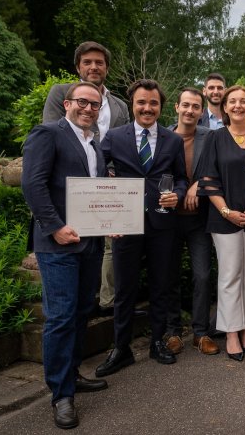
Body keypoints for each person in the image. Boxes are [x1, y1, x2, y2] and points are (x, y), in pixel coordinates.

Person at [23, 82, 109, 429]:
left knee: (80, 312)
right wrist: (55, 226)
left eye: (95, 105)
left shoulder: (95, 145)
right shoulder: (47, 134)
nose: (89, 109)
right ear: (68, 104)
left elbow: (98, 192)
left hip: (90, 243)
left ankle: (71, 375)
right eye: (83, 103)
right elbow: (33, 184)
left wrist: (110, 221)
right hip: (58, 244)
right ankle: (60, 395)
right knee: (59, 317)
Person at [96, 79, 187, 377]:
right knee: (124, 288)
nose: (147, 108)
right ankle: (121, 348)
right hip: (125, 223)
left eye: (153, 103)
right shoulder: (113, 136)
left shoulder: (172, 140)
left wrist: (180, 194)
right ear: (133, 104)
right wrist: (105, 213)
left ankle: (157, 342)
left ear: (161, 106)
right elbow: (98, 176)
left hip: (162, 223)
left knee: (161, 285)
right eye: (141, 103)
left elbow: (182, 179)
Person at [43, 40, 129, 319]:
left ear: (106, 68)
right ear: (79, 66)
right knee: (74, 245)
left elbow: (123, 142)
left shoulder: (119, 105)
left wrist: (113, 172)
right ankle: (82, 304)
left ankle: (104, 301)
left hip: (108, 182)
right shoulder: (61, 93)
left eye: (99, 62)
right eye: (88, 62)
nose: (94, 67)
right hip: (72, 188)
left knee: (107, 246)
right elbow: (52, 134)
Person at [196, 86, 245, 361]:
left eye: (243, 101)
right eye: (232, 101)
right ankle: (232, 333)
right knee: (229, 276)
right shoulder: (215, 138)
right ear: (224, 107)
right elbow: (208, 180)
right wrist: (227, 211)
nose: (238, 106)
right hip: (224, 218)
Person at [162, 87, 218, 356]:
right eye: (186, 105)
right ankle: (172, 331)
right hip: (168, 220)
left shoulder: (211, 137)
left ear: (201, 110)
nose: (190, 111)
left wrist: (199, 184)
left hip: (199, 219)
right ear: (176, 107)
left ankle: (200, 332)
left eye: (196, 106)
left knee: (202, 275)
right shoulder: (162, 137)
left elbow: (218, 169)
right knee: (169, 275)